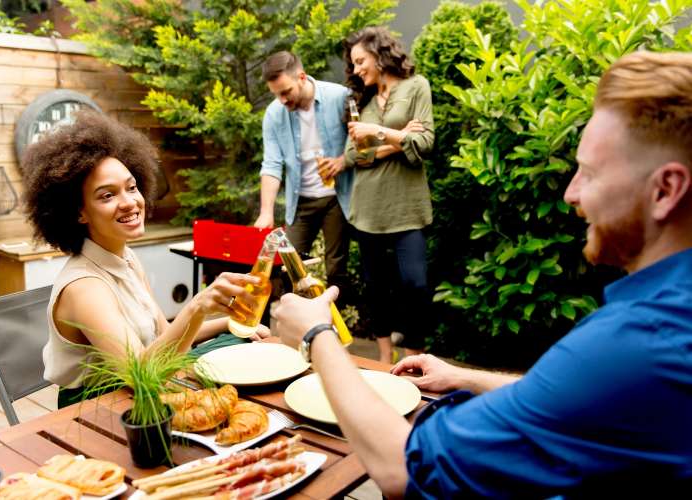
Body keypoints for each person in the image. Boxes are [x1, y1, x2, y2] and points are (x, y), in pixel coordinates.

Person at [273, 50, 692, 497]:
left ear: (664, 190)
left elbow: (404, 467)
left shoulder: (641, 340)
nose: (571, 193)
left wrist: (316, 334)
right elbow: (582, 394)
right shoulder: (662, 323)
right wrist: (467, 377)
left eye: (589, 173)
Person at [22, 111, 269, 408]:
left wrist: (227, 323)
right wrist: (196, 306)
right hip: (98, 407)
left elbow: (164, 337)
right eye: (107, 196)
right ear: (78, 212)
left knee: (244, 342)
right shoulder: (84, 287)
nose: (129, 202)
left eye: (131, 187)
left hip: (144, 383)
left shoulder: (125, 258)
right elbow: (141, 374)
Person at [342, 27, 433, 363]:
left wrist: (377, 133)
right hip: (367, 209)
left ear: (380, 55)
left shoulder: (416, 87)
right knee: (376, 287)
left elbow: (425, 144)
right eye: (353, 64)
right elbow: (354, 155)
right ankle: (383, 359)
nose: (356, 70)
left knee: (415, 285)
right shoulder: (360, 100)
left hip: (407, 208)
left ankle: (414, 360)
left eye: (361, 61)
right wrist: (397, 139)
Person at [254, 51, 353, 296]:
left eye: (286, 91)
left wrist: (342, 160)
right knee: (289, 266)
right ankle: (302, 326)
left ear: (301, 77)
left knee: (336, 267)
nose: (282, 99)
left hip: (337, 197)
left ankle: (330, 330)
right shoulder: (274, 113)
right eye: (276, 94)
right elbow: (272, 164)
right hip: (301, 201)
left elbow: (359, 140)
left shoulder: (339, 97)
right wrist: (266, 212)